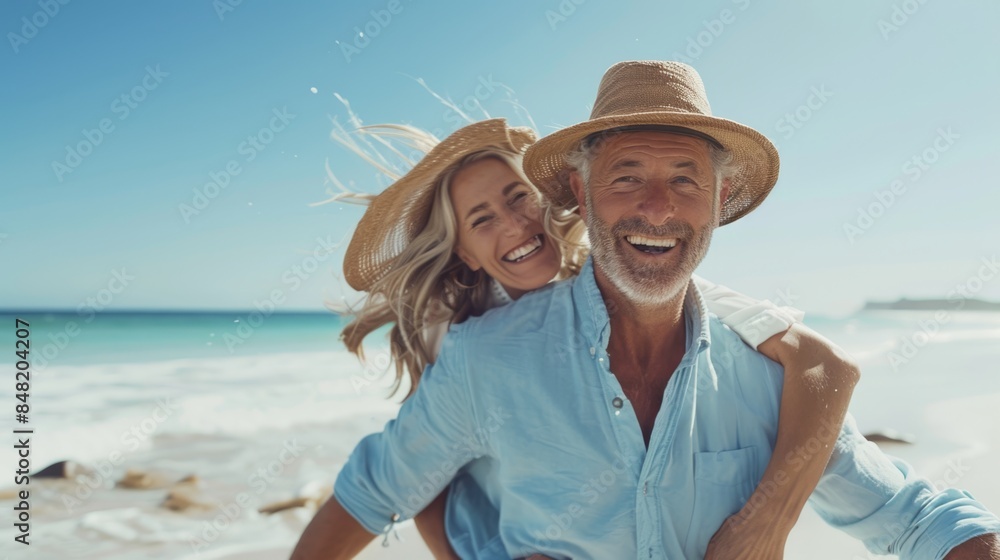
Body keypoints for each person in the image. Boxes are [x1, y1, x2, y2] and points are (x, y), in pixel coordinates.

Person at [295, 62, 1000, 558]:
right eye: (626, 176)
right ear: (582, 188)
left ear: (720, 203)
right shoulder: (481, 357)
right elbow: (381, 491)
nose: (657, 208)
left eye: (685, 179)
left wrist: (764, 522)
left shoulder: (761, 372)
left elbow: (917, 517)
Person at [315, 117, 855, 558]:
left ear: (553, 199)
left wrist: (767, 522)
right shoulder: (465, 342)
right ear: (463, 253)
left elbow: (824, 363)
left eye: (518, 198)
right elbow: (413, 482)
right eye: (481, 220)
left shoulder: (628, 278)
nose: (515, 225)